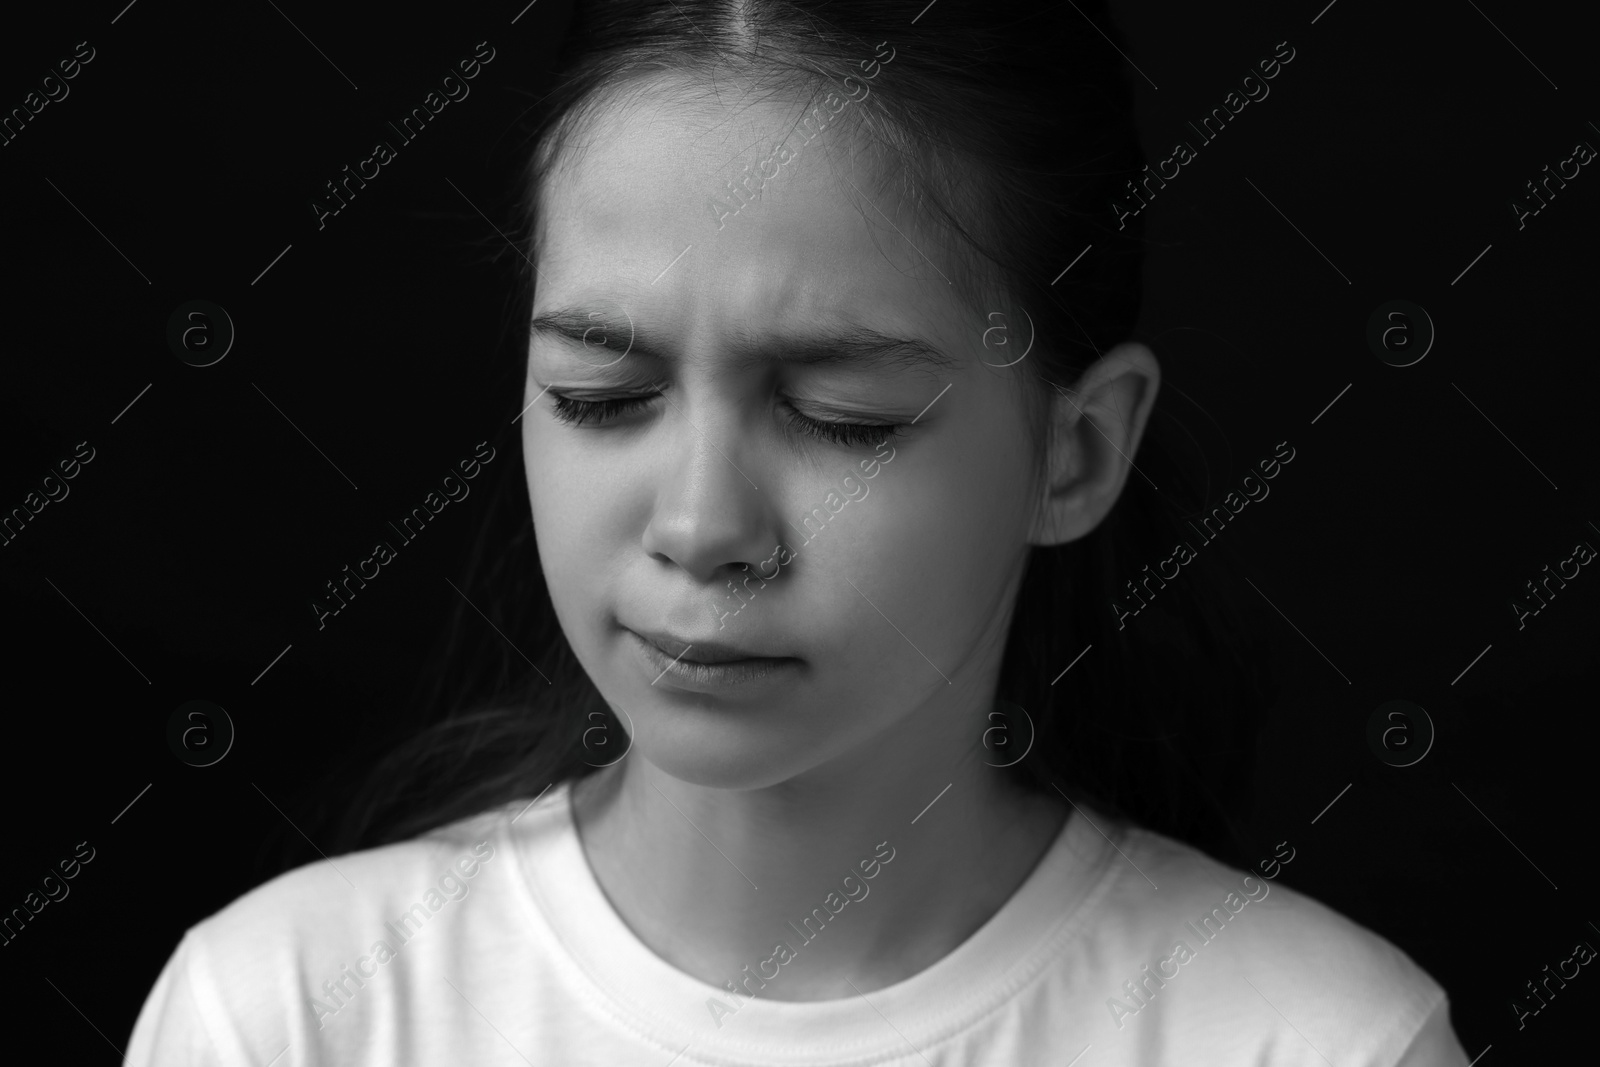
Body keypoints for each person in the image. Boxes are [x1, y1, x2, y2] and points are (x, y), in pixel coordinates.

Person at [127, 1, 1471, 1062]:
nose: (703, 526)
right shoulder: (291, 1020)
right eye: (605, 395)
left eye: (845, 417)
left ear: (1078, 450)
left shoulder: (1313, 1040)